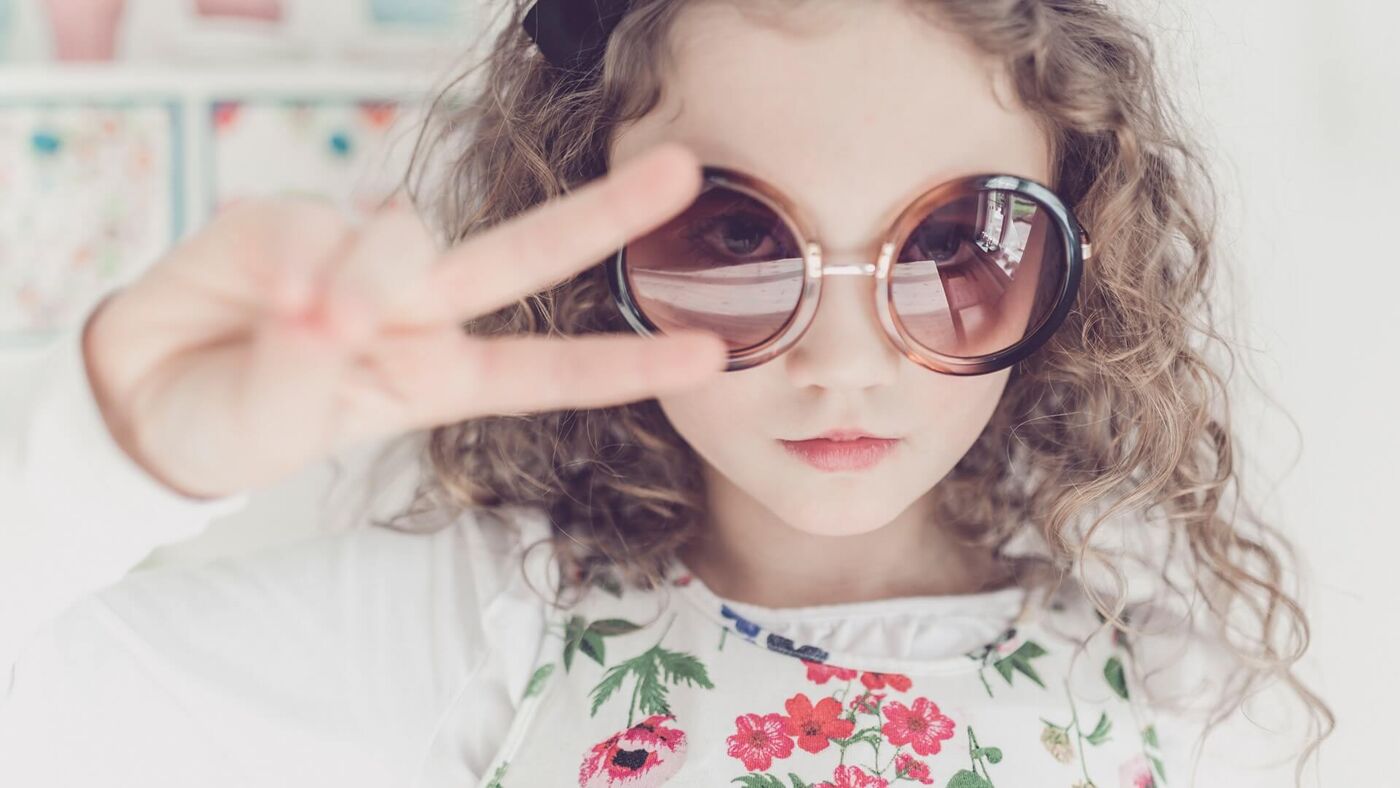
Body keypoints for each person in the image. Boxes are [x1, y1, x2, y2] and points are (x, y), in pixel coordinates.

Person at [0, 1, 1331, 786]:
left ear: (1076, 258)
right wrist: (117, 450)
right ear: (587, 239)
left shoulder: (1186, 689)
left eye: (946, 248)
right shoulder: (480, 627)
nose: (846, 359)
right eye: (737, 242)